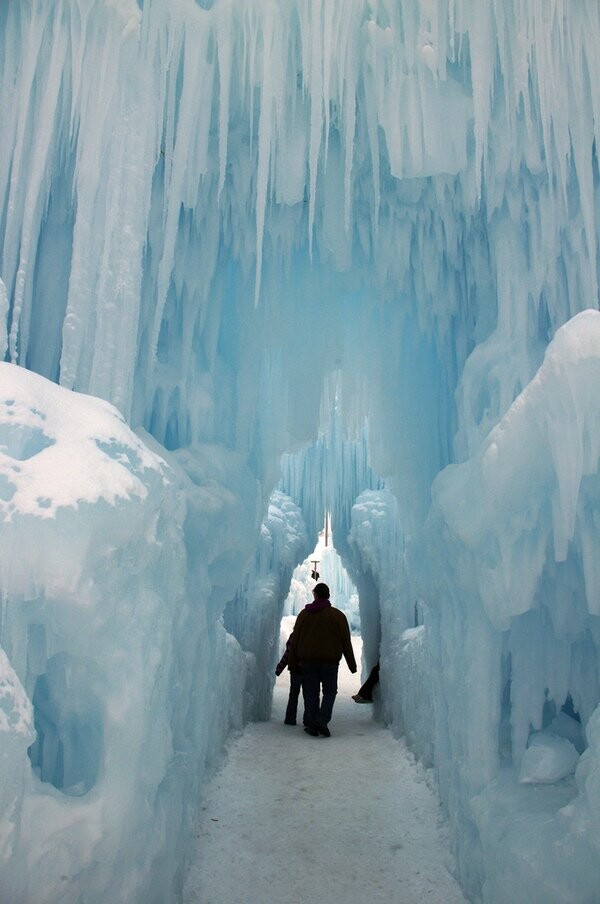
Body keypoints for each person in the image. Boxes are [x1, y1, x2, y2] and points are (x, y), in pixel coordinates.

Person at [288, 583, 357, 737]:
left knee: (312, 693)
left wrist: (292, 662)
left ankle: (314, 723)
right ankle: (322, 720)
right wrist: (352, 664)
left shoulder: (304, 615)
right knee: (330, 692)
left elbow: (295, 640)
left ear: (316, 595)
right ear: (328, 595)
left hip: (308, 662)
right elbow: (346, 641)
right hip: (330, 662)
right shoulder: (338, 616)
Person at [275, 636, 305, 726]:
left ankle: (290, 719)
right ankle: (309, 719)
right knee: (309, 696)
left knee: (293, 695)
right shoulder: (310, 635)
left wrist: (279, 668)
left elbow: (287, 654)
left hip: (295, 670)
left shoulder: (294, 636)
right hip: (308, 671)